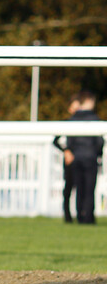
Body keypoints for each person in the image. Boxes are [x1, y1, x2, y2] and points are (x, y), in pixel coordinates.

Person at [53, 90, 103, 224]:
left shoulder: (72, 119)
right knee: (89, 189)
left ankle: (80, 216)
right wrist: (98, 154)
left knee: (79, 189)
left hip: (76, 158)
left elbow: (69, 140)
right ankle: (88, 217)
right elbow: (99, 141)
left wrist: (69, 150)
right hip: (90, 157)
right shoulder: (95, 119)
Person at [53, 95, 81, 222]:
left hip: (82, 159)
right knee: (68, 189)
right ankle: (67, 216)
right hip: (71, 160)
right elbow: (55, 140)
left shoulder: (86, 125)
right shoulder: (66, 123)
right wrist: (66, 151)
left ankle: (83, 215)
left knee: (83, 188)